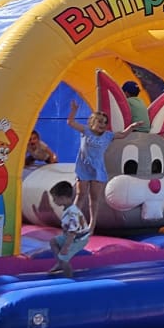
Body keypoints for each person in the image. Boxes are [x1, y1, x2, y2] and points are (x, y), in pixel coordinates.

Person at [67, 102, 113, 230]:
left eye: (105, 123)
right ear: (92, 122)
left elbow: (122, 134)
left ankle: (92, 224)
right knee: (80, 194)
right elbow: (70, 122)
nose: (102, 125)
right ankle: (73, 221)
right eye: (100, 122)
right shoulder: (86, 131)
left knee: (94, 198)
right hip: (84, 168)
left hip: (98, 170)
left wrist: (131, 128)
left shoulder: (108, 136)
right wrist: (74, 111)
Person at [47, 179, 91, 275]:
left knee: (64, 256)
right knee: (53, 241)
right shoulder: (68, 209)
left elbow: (72, 233)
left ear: (62, 198)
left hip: (79, 239)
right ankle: (60, 263)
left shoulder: (72, 213)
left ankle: (69, 276)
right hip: (71, 236)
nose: (54, 201)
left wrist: (65, 247)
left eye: (55, 199)